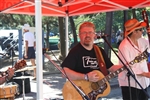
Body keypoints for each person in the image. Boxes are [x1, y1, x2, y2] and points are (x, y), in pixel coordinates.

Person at [61, 22, 121, 99]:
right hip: (80, 93)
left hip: (96, 94)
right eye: (84, 33)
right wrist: (85, 77)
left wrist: (127, 66)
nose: (87, 35)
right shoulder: (75, 51)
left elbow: (111, 68)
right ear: (79, 35)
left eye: (90, 32)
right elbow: (64, 72)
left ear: (94, 35)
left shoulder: (99, 51)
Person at [118, 18, 150, 100]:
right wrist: (144, 73)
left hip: (143, 82)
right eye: (140, 29)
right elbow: (127, 67)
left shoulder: (142, 41)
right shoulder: (124, 46)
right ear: (134, 31)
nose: (142, 31)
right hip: (130, 84)